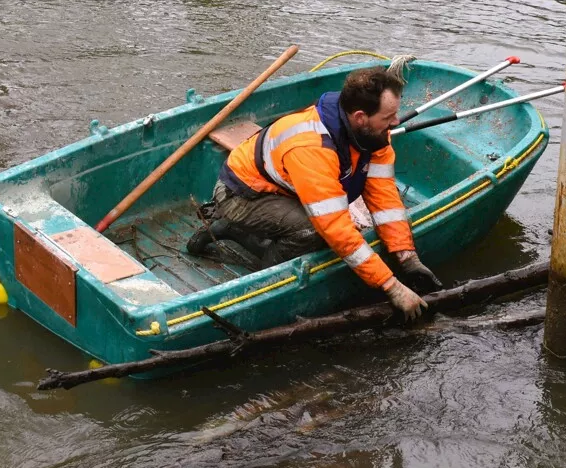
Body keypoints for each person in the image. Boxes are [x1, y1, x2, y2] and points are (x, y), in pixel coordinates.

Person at [187, 66, 441, 320]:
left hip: (284, 188)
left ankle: (233, 230)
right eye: (389, 117)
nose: (395, 122)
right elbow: (335, 228)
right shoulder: (313, 147)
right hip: (240, 194)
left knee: (321, 234)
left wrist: (407, 258)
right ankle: (263, 280)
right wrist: (391, 287)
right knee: (309, 231)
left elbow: (385, 201)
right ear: (361, 117)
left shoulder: (372, 136)